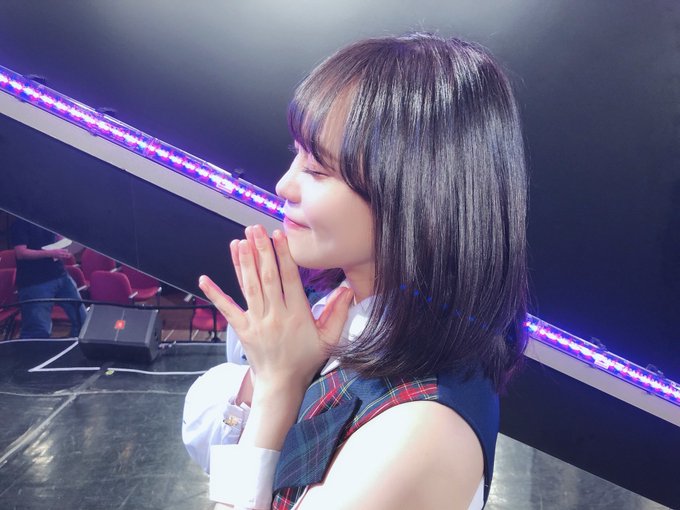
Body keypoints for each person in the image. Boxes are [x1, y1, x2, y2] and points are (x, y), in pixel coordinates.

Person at [186, 32, 528, 510]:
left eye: (318, 169)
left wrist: (278, 388)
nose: (284, 185)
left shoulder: (416, 433)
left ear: (417, 194)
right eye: (296, 154)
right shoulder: (343, 312)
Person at [10, 218, 86, 338]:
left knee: (81, 318)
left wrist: (64, 242)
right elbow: (21, 253)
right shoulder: (21, 222)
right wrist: (50, 253)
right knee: (38, 330)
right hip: (35, 281)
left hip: (60, 275)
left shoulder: (48, 218)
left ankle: (75, 345)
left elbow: (57, 239)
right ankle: (36, 350)